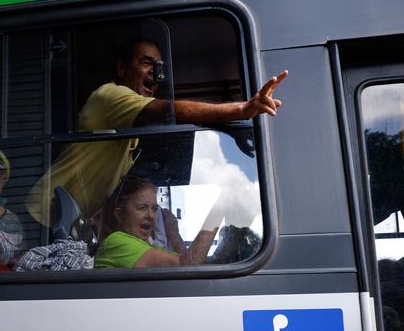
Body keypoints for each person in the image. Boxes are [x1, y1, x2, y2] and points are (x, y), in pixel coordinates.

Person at [26, 37, 288, 226]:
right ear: (121, 69)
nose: (155, 72)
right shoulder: (111, 95)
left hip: (64, 220)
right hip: (43, 212)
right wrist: (242, 110)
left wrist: (232, 131)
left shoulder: (130, 125)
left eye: (159, 66)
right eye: (146, 63)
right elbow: (169, 111)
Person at [94, 176, 221, 268]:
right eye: (142, 207)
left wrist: (174, 234)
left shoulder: (149, 247)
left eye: (155, 209)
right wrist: (222, 206)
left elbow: (198, 262)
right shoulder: (116, 241)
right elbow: (188, 264)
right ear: (120, 215)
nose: (151, 216)